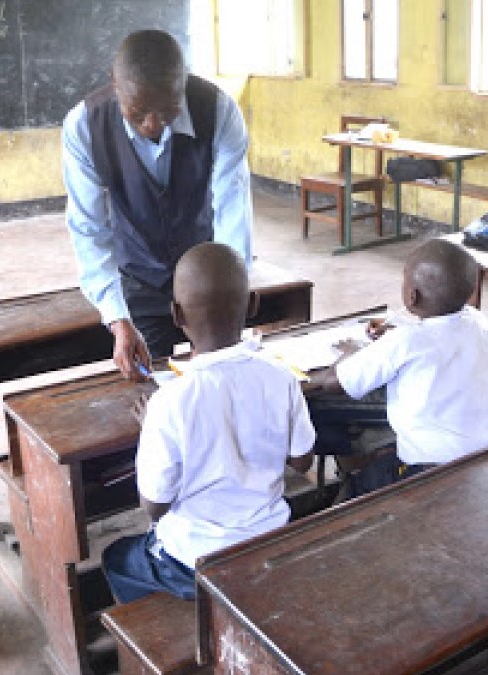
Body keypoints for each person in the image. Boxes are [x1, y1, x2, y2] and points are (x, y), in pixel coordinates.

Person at [102, 243, 314, 603]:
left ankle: (171, 634)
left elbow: (154, 506)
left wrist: (150, 428)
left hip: (196, 559)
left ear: (176, 315)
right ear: (253, 306)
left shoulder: (168, 403)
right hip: (271, 539)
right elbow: (302, 461)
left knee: (116, 558)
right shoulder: (281, 378)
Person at [62, 30, 253, 381]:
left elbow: (232, 211)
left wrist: (229, 306)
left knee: (222, 378)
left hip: (204, 279)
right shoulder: (85, 125)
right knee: (149, 391)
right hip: (138, 277)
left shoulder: (219, 111)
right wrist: (118, 319)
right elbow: (89, 228)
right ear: (115, 85)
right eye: (137, 113)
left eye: (168, 111)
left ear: (183, 83)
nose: (153, 125)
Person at [308, 239, 488, 498]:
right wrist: (395, 335)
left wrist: (350, 353)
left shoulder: (405, 341)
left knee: (349, 476)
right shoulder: (478, 322)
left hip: (433, 469)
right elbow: (440, 339)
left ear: (412, 296)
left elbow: (334, 382)